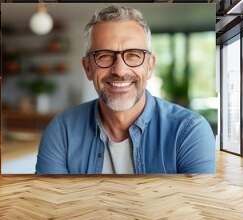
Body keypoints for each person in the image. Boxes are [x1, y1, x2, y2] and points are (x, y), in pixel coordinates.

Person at [36, 5, 215, 174]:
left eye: (133, 55)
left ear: (150, 66)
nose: (120, 71)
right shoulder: (61, 131)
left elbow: (198, 206)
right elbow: (50, 204)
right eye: (104, 56)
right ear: (88, 68)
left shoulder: (189, 131)